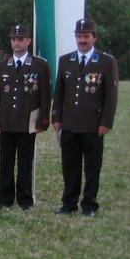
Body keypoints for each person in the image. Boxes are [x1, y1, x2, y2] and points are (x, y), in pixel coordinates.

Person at [51, 18, 119, 217]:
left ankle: (89, 205)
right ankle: (69, 203)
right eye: (79, 36)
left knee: (92, 167)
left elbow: (111, 97)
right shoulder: (66, 60)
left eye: (86, 36)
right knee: (69, 166)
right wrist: (56, 117)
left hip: (93, 125)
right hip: (69, 123)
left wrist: (106, 122)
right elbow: (59, 93)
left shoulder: (106, 62)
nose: (82, 40)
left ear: (94, 38)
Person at [0, 24, 52, 210]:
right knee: (5, 162)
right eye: (14, 39)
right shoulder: (2, 66)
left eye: (20, 39)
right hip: (7, 121)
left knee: (25, 162)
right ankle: (4, 199)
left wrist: (43, 120)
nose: (16, 42)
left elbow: (45, 95)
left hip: (27, 122)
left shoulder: (40, 65)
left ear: (28, 41)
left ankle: (25, 199)